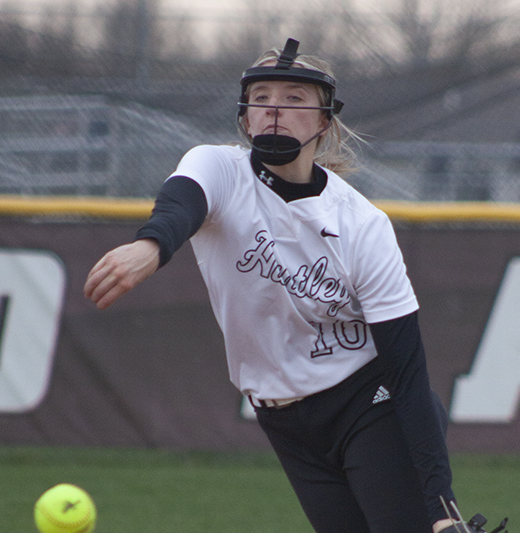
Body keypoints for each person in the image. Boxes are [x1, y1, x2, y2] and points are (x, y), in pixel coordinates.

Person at [84, 38, 461, 533]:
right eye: (261, 97)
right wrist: (151, 246)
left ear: (324, 120)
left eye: (294, 98)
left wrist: (441, 508)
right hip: (286, 421)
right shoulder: (219, 169)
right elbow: (182, 204)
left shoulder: (362, 225)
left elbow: (407, 370)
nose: (274, 110)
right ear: (245, 116)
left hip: (370, 405)